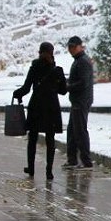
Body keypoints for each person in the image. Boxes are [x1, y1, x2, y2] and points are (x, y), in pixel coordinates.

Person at [13, 42, 67, 180]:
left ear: (39, 52)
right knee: (50, 140)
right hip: (51, 108)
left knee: (32, 139)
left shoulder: (34, 68)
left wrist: (16, 94)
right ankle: (49, 171)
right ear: (52, 53)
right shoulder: (57, 70)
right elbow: (63, 91)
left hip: (36, 106)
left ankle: (31, 168)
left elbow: (26, 88)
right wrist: (55, 85)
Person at [63, 36, 94, 170]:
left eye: (73, 47)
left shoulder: (83, 62)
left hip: (81, 101)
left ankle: (86, 161)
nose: (71, 50)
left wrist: (68, 87)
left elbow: (83, 83)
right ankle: (72, 160)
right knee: (72, 131)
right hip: (77, 100)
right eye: (69, 47)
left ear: (80, 46)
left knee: (80, 131)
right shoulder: (78, 61)